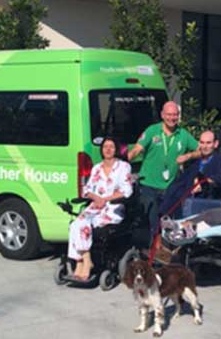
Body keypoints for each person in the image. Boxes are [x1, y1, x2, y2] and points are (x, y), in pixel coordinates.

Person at [127, 101, 198, 243]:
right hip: (149, 184)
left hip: (170, 186)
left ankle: (167, 247)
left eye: (175, 115)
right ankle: (152, 247)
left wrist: (188, 156)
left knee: (169, 221)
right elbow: (137, 149)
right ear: (162, 115)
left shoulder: (183, 134)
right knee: (151, 220)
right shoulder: (152, 131)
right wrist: (123, 163)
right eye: (169, 114)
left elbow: (200, 150)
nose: (172, 118)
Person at [67, 137, 133, 280]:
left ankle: (83, 263)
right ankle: (83, 260)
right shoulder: (97, 168)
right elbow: (87, 189)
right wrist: (96, 198)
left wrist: (105, 199)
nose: (108, 149)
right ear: (101, 150)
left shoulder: (123, 167)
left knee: (83, 225)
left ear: (116, 150)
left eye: (111, 147)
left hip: (113, 207)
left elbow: (127, 191)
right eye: (105, 147)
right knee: (75, 224)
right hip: (95, 205)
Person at [160, 130, 221, 219]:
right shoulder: (193, 163)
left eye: (208, 143)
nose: (205, 146)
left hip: (208, 204)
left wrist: (204, 182)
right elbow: (179, 182)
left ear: (215, 144)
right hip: (182, 203)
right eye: (202, 143)